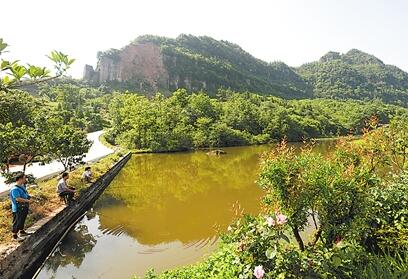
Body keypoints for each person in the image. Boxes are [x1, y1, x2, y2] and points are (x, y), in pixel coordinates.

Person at [9, 173, 32, 241]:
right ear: (20, 179)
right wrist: (28, 201)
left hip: (24, 206)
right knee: (17, 221)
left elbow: (24, 194)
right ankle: (15, 236)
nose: (25, 179)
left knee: (22, 219)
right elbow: (18, 199)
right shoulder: (15, 189)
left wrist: (29, 197)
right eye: (24, 178)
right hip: (18, 208)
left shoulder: (21, 186)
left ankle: (22, 232)